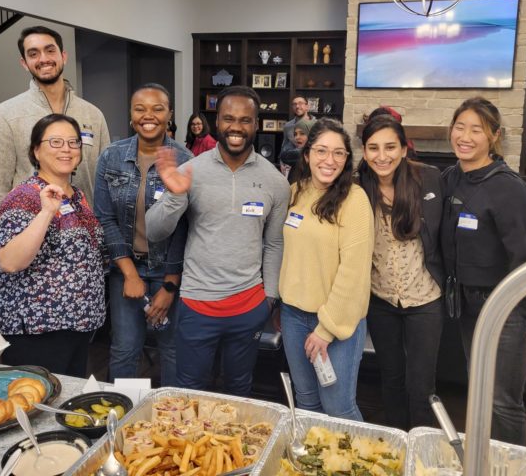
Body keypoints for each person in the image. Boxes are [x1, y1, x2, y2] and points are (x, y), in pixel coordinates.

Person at [441, 96, 526, 444]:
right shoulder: (450, 179)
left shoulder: (510, 189)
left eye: (477, 129)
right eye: (460, 127)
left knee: (502, 402)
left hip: (505, 310)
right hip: (468, 307)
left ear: (494, 136)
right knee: (480, 393)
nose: (465, 136)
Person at [146, 86, 290, 396]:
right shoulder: (189, 171)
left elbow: (275, 243)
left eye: (245, 119)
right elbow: (154, 231)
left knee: (239, 389)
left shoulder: (276, 182)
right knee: (189, 391)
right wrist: (175, 195)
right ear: (217, 121)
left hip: (249, 306)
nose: (236, 127)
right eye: (228, 118)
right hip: (197, 305)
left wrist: (270, 297)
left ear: (257, 124)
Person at [0, 114, 105, 377]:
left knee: (64, 403)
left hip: (75, 326)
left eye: (73, 142)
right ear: (36, 151)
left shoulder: (76, 195)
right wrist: (45, 213)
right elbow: (9, 262)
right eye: (55, 142)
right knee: (38, 405)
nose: (66, 149)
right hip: (39, 330)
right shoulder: (24, 197)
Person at [94, 83, 192, 385]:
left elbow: (186, 227)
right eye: (140, 109)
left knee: (173, 349)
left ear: (170, 114)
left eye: (158, 108)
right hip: (125, 270)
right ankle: (122, 417)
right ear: (131, 115)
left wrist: (170, 285)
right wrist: (129, 273)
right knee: (125, 349)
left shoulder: (186, 160)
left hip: (170, 272)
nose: (148, 115)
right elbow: (105, 217)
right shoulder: (111, 156)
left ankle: (173, 422)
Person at [279, 118, 374, 420]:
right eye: (321, 151)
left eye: (338, 153)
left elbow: (354, 273)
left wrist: (326, 329)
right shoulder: (295, 191)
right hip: (293, 316)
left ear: (347, 159)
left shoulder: (355, 199)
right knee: (306, 404)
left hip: (337, 323)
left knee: (338, 407)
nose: (329, 160)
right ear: (306, 155)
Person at [357, 115, 444, 430]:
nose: (382, 156)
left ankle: (420, 447)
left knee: (421, 384)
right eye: (373, 148)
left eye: (390, 147)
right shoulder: (357, 188)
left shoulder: (429, 179)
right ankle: (396, 439)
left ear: (404, 149)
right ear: (364, 151)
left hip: (425, 299)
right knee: (391, 378)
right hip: (381, 300)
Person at [0, 26, 110, 237]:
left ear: (63, 56)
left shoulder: (93, 115)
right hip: (32, 241)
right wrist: (5, 248)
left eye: (50, 50)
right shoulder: (6, 114)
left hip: (85, 238)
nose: (43, 58)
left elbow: (105, 183)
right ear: (24, 63)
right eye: (33, 53)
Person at [280, 95, 316, 170]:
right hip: (293, 166)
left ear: (307, 106)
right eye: (294, 104)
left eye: (300, 103)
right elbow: (284, 146)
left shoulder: (317, 124)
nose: (297, 106)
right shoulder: (288, 126)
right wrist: (282, 164)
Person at [278, 118, 314, 184]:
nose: (297, 137)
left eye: (302, 133)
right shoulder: (296, 154)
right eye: (295, 134)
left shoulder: (313, 154)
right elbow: (284, 155)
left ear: (311, 135)